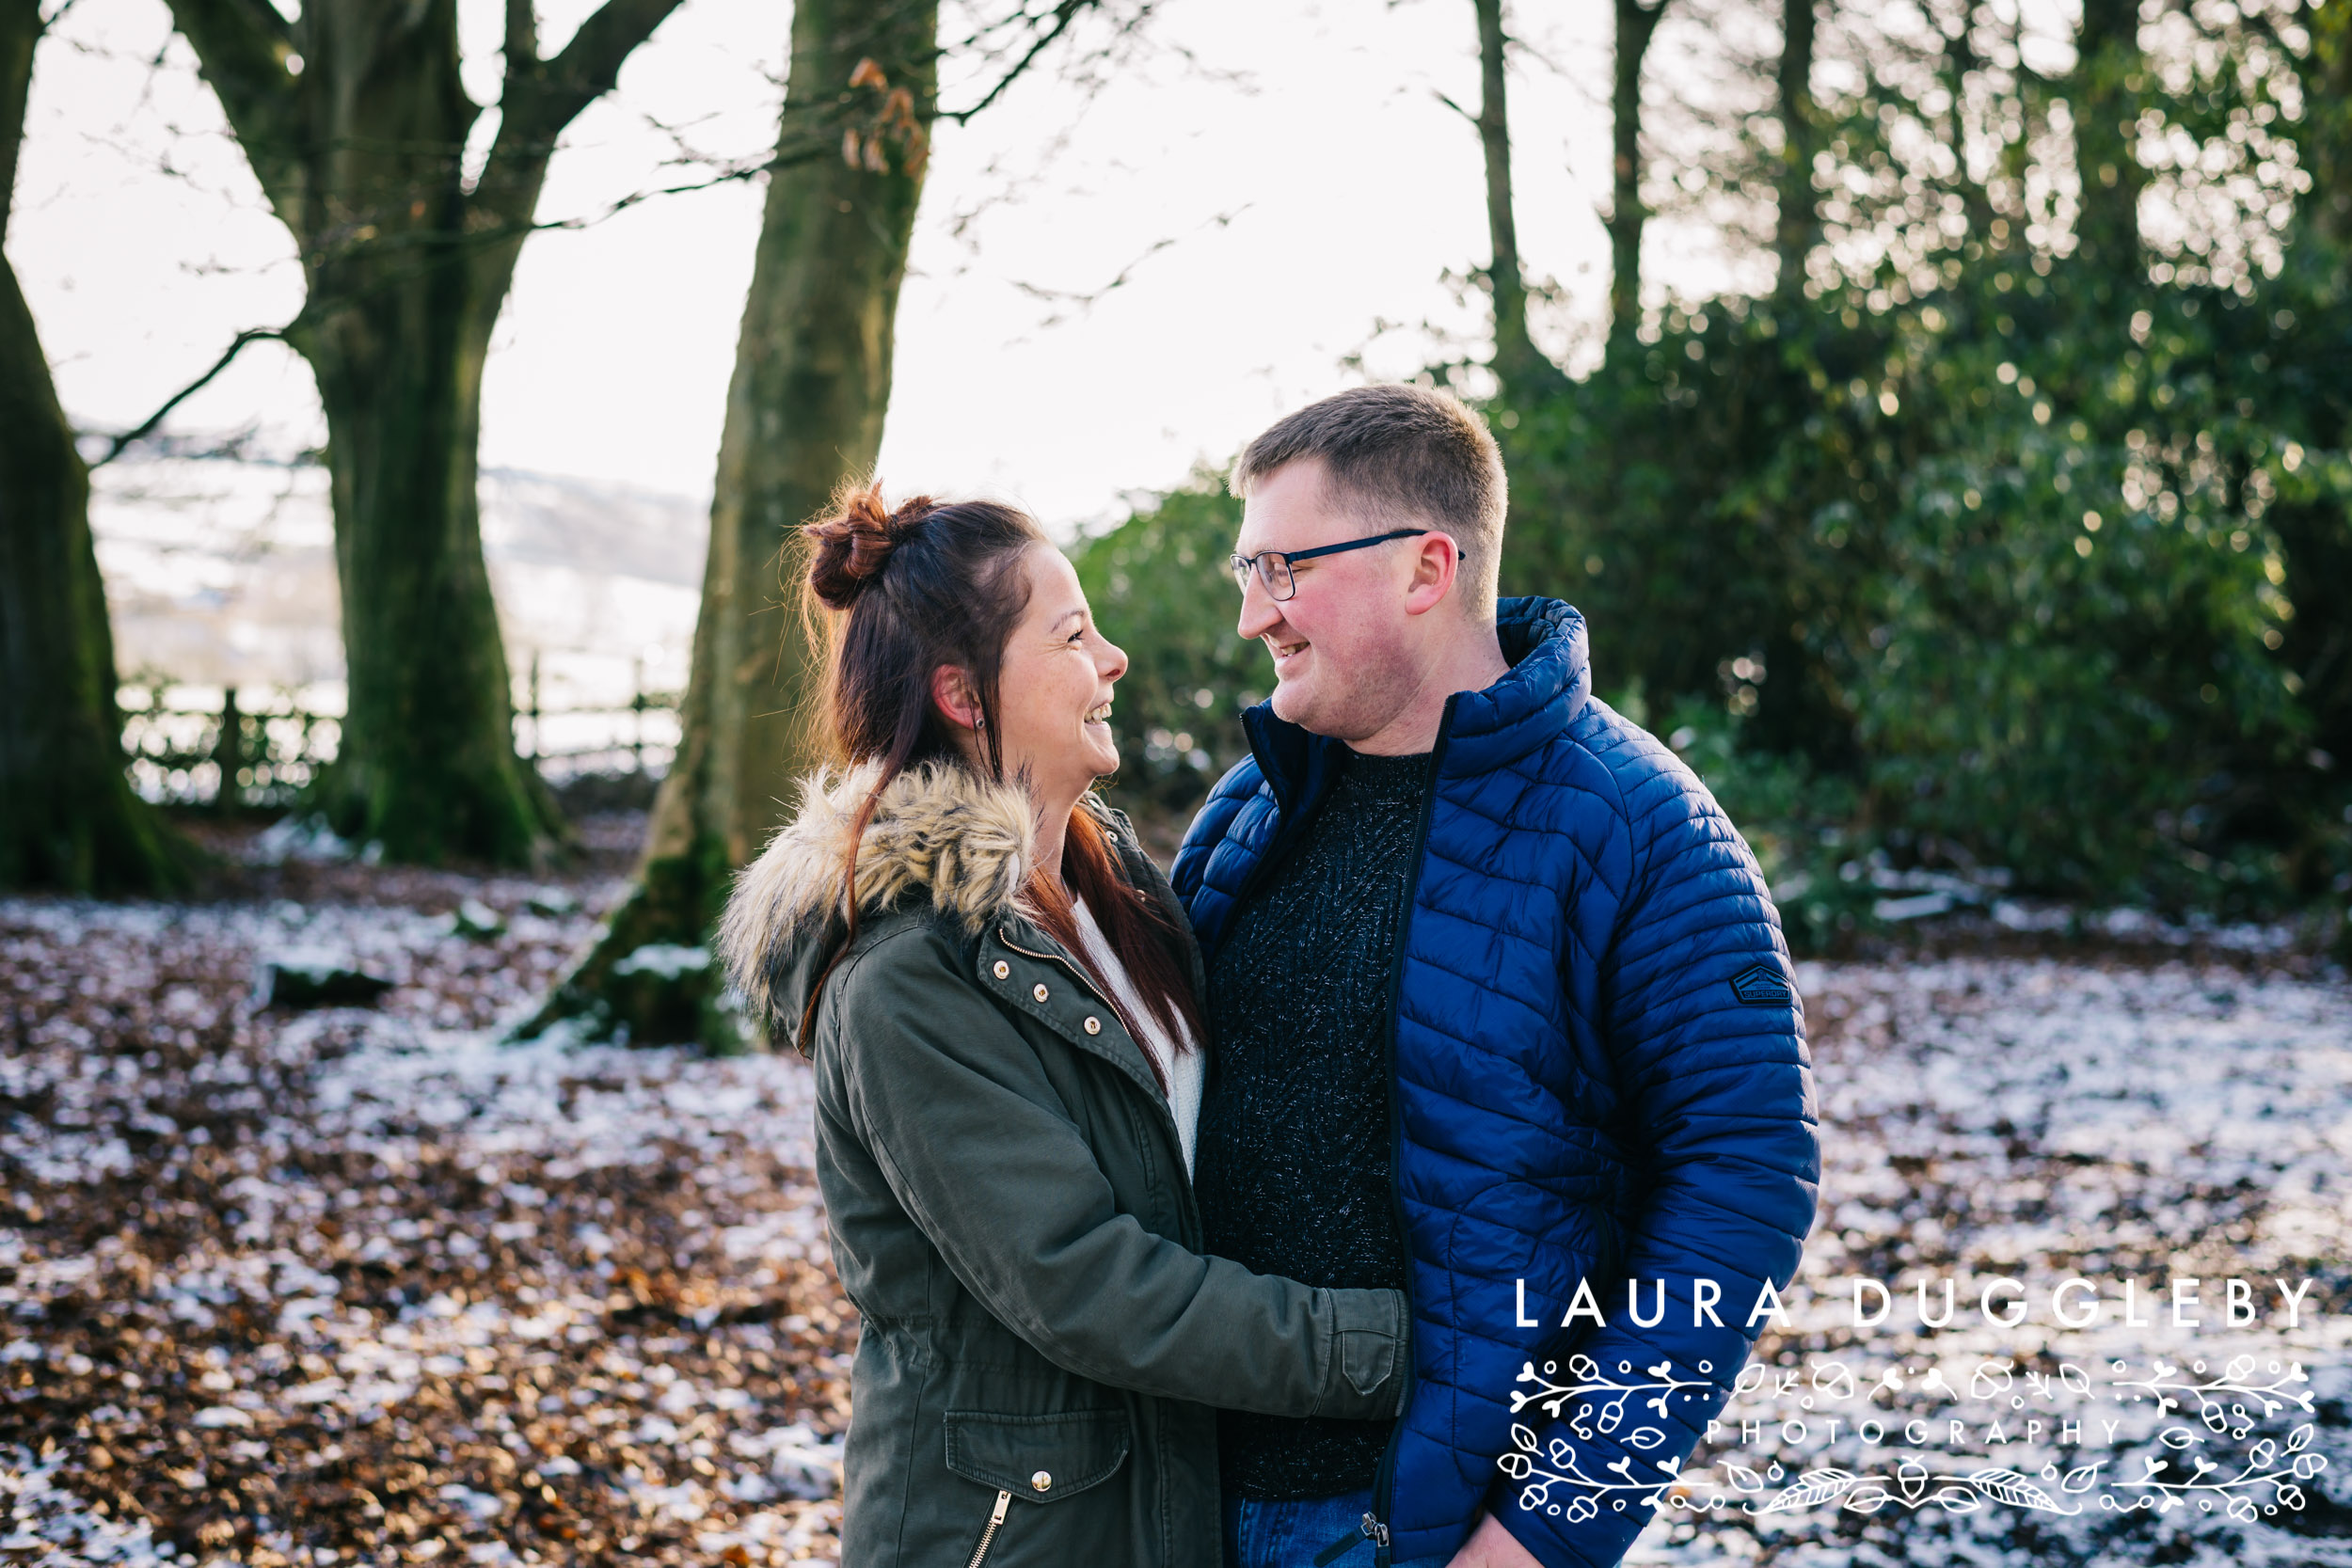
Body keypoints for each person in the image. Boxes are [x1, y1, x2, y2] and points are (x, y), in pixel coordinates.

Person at [1172, 385, 1821, 1568]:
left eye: (1280, 569)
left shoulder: (1638, 826)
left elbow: (1743, 1186)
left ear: (1425, 568)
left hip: (1428, 1533)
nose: (1251, 615)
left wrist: (1547, 1528)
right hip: (1175, 1503)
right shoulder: (1246, 808)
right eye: (1245, 570)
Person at [718, 483, 1409, 1568]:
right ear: (961, 691)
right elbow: (1088, 1282)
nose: (1115, 657)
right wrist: (1386, 1345)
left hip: (1160, 1492)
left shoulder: (1110, 882)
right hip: (1008, 1532)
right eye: (1073, 634)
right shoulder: (905, 977)